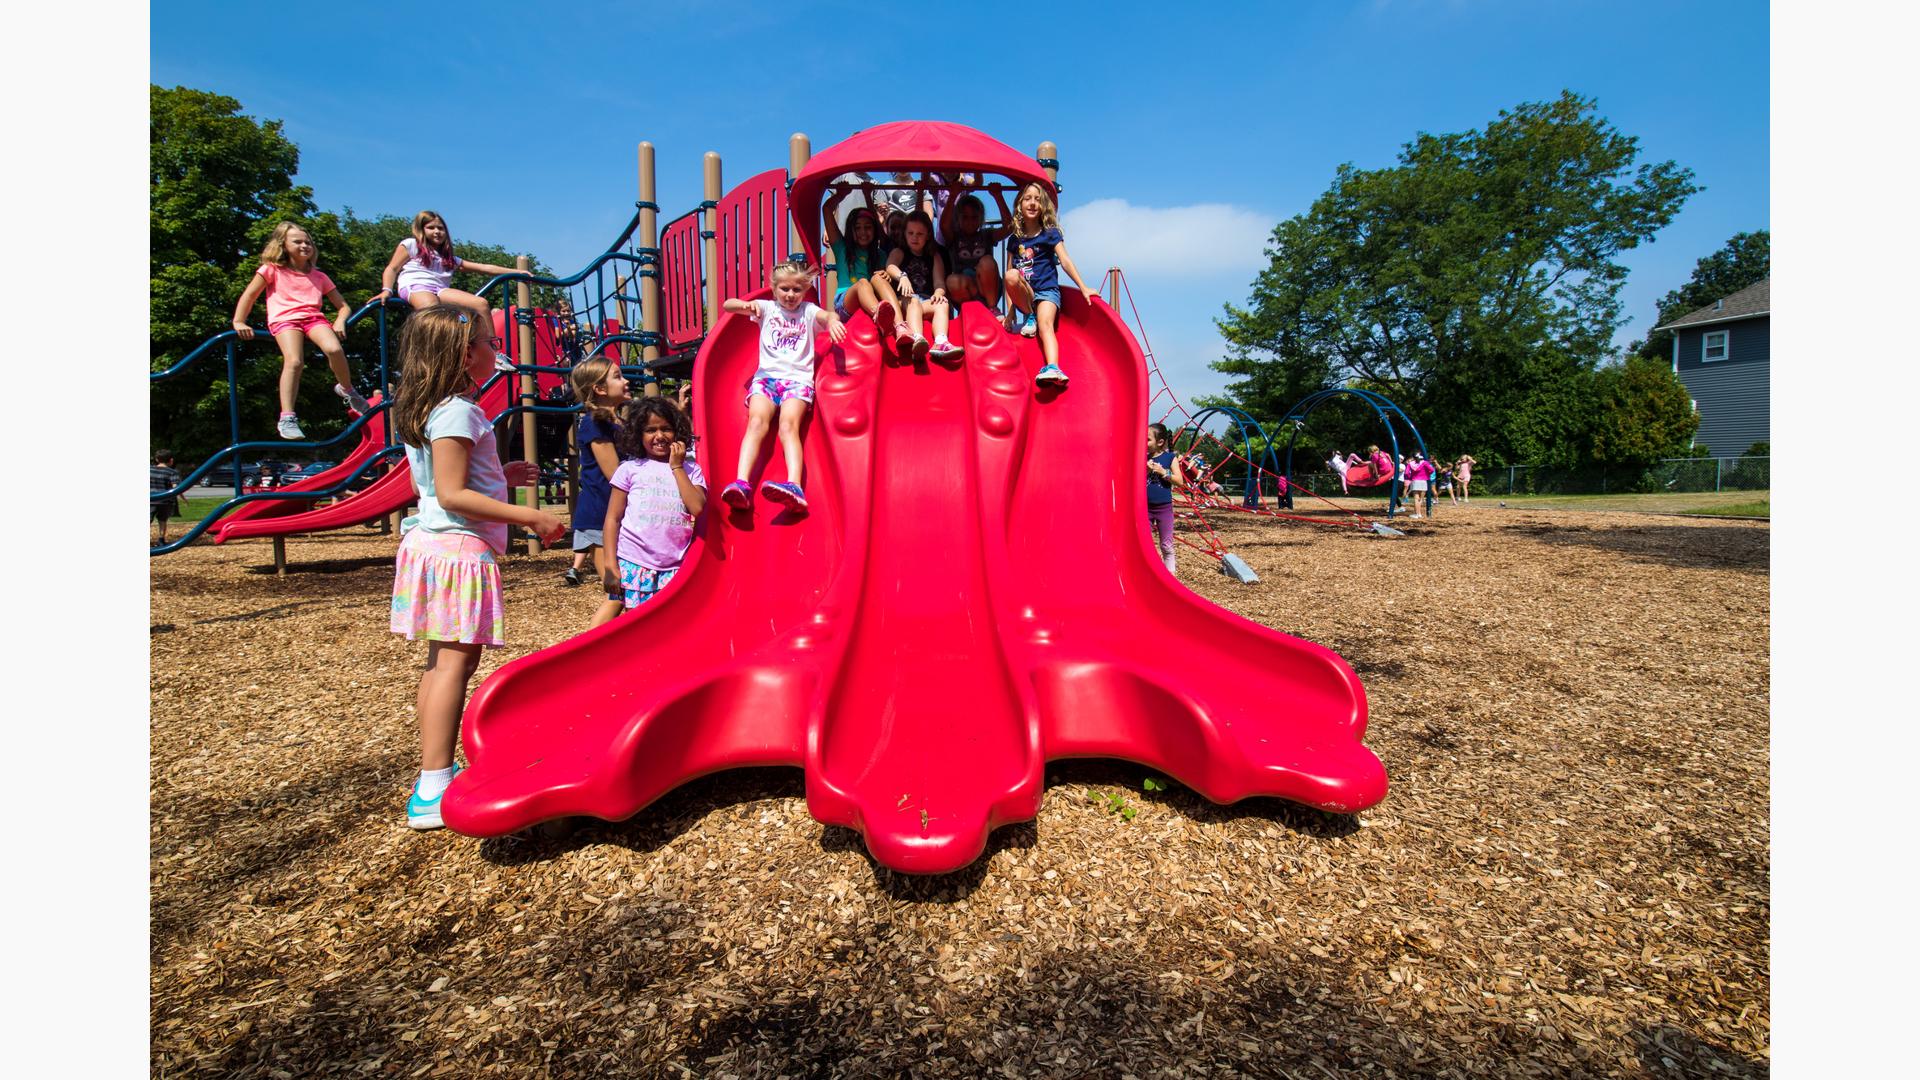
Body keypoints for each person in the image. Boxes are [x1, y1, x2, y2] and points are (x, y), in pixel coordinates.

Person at [387, 307, 565, 831]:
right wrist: (529, 515)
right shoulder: (459, 411)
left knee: (440, 663)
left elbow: (447, 481)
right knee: (453, 667)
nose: (496, 351)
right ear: (466, 354)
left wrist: (500, 475)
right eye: (489, 342)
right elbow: (451, 493)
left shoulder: (431, 406)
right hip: (455, 549)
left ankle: (432, 772)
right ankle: (433, 782)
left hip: (432, 542)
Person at [716, 260, 845, 513]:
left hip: (797, 381)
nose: (790, 295)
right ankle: (742, 483)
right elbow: (727, 305)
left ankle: (794, 486)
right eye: (784, 289)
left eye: (797, 290)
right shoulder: (766, 308)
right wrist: (746, 305)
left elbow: (827, 315)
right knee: (756, 423)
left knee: (788, 426)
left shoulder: (808, 311)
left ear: (805, 290)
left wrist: (832, 321)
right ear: (774, 289)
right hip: (766, 378)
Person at [231, 222, 371, 440]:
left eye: (308, 242)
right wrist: (239, 321)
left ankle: (347, 389)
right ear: (283, 245)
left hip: (313, 318)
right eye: (297, 242)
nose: (304, 245)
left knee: (334, 349)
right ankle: (287, 416)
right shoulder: (271, 270)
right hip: (285, 319)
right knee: (294, 361)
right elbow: (249, 295)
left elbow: (343, 306)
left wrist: (340, 320)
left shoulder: (319, 276)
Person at [603, 396, 706, 611]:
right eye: (650, 430)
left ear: (677, 432)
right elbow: (613, 519)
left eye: (666, 429)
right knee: (638, 627)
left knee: (672, 627)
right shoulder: (630, 469)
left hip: (676, 566)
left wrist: (677, 467)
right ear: (639, 435)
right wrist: (610, 566)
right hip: (635, 562)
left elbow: (697, 507)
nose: (659, 436)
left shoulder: (691, 471)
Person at [1003, 182, 1097, 388]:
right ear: (1020, 204)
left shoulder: (1050, 233)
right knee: (1010, 275)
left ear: (1043, 205)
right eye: (1028, 198)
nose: (1033, 203)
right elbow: (1010, 281)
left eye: (1037, 199)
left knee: (1046, 325)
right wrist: (1011, 312)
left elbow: (1064, 260)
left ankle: (1053, 367)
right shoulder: (1014, 240)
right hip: (1025, 296)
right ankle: (1029, 315)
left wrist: (1083, 287)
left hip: (1046, 292)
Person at [564, 358, 632, 631]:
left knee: (624, 592)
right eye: (618, 376)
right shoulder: (594, 423)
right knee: (618, 592)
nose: (625, 381)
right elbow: (615, 474)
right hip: (600, 517)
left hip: (614, 516)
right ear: (600, 389)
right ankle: (588, 651)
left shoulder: (616, 421)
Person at [373, 210, 526, 320]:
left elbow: (484, 268)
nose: (437, 231)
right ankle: (437, 353)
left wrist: (517, 272)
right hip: (416, 286)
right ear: (421, 229)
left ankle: (493, 350)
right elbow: (392, 268)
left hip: (440, 290)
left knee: (480, 304)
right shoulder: (412, 245)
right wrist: (386, 290)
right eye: (431, 228)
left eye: (440, 228)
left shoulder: (448, 258)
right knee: (434, 311)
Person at [883, 210, 961, 361]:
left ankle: (941, 341)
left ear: (928, 236)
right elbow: (890, 266)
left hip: (924, 302)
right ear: (904, 234)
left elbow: (939, 281)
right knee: (913, 301)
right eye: (910, 233)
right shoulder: (899, 252)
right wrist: (902, 277)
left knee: (943, 304)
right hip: (904, 302)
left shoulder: (934, 256)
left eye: (920, 234)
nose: (914, 237)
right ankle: (917, 339)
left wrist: (939, 292)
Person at [821, 194, 897, 338]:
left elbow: (883, 284)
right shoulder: (842, 249)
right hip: (845, 304)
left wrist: (887, 276)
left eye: (868, 227)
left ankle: (897, 324)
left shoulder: (880, 255)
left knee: (876, 279)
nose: (863, 232)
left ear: (875, 230)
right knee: (863, 283)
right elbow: (826, 209)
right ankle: (880, 317)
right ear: (851, 231)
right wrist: (841, 193)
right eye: (858, 228)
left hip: (870, 300)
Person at [939, 183, 1013, 308]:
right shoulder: (955, 237)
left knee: (987, 262)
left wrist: (998, 196)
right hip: (965, 290)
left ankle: (992, 308)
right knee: (951, 281)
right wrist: (953, 196)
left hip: (988, 289)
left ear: (981, 218)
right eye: (965, 217)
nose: (970, 222)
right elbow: (944, 226)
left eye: (974, 217)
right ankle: (971, 311)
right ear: (958, 218)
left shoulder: (986, 235)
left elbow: (1009, 227)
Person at [1146, 424, 1187, 573]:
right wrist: (1145, 469)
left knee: (1166, 545)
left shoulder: (1169, 457)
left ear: (1160, 442)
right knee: (1145, 544)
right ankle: (1150, 573)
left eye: (1148, 440)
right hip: (1145, 508)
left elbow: (1180, 481)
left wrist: (1163, 472)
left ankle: (1170, 575)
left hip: (1163, 508)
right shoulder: (1142, 458)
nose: (1145, 443)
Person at [151, 449, 182, 543]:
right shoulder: (172, 472)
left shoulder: (149, 469)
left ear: (156, 459)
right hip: (165, 501)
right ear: (171, 460)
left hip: (150, 499)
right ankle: (161, 539)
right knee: (162, 520)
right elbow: (176, 488)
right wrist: (183, 497)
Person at [1404, 452, 1434, 519]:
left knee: (1416, 498)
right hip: (1424, 481)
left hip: (1415, 481)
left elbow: (1406, 473)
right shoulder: (1425, 463)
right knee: (1421, 498)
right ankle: (1419, 513)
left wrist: (1411, 476)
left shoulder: (1410, 464)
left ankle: (1417, 514)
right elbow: (1432, 470)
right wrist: (1427, 474)